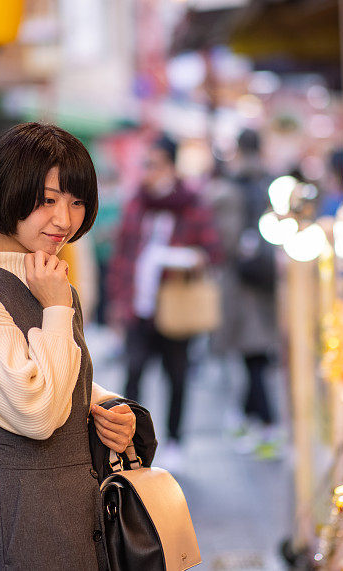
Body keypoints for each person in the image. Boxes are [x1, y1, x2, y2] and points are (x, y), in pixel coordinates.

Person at [0, 122, 137, 570]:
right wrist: (57, 308)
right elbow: (37, 411)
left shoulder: (49, 281)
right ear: (8, 190)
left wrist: (107, 409)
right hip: (15, 521)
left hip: (74, 515)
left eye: (77, 201)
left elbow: (66, 377)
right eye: (48, 200)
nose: (64, 219)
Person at [108, 134, 222, 468]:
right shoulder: (137, 202)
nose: (148, 171)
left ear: (171, 166)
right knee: (134, 373)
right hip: (138, 306)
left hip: (176, 306)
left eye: (154, 164)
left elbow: (213, 253)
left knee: (177, 375)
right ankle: (130, 442)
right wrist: (118, 301)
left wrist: (180, 258)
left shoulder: (193, 204)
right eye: (146, 164)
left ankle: (174, 440)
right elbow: (122, 252)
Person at [224, 129, 281, 457]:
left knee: (253, 357)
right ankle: (251, 417)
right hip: (269, 280)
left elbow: (228, 242)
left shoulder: (230, 187)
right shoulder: (270, 183)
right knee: (256, 356)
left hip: (242, 285)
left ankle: (267, 422)